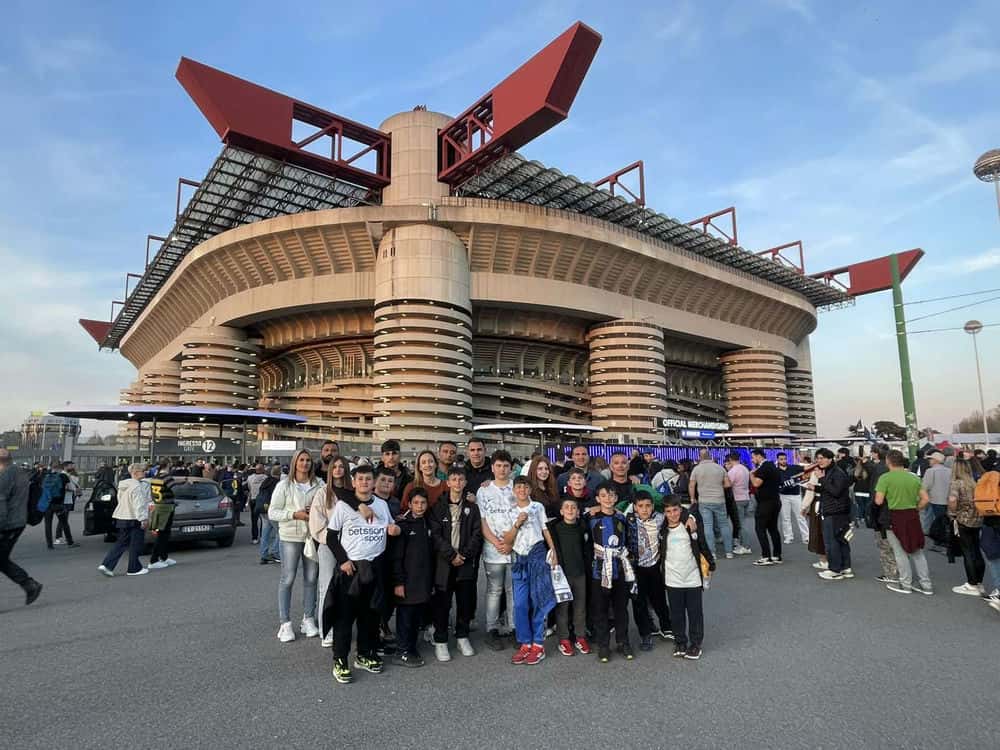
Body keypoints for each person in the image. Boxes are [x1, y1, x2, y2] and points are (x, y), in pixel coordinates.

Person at [325, 464, 400, 684]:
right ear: (354, 482)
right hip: (351, 569)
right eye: (360, 479)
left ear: (374, 482)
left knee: (370, 615)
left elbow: (391, 527)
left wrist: (395, 530)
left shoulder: (382, 505)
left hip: (375, 567)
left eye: (368, 479)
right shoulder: (343, 507)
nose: (365, 483)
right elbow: (331, 537)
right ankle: (340, 660)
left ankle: (365, 654)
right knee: (345, 617)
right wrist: (343, 561)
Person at [268, 449, 324, 642]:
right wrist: (294, 514)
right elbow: (273, 512)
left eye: (308, 460)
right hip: (290, 536)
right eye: (301, 460)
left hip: (312, 536)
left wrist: (315, 511)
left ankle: (308, 618)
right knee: (288, 578)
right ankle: (285, 623)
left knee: (311, 578)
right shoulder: (284, 485)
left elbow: (327, 506)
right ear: (295, 462)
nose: (305, 463)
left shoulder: (319, 484)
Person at [429, 466, 483, 662]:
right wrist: (451, 555)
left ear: (465, 482)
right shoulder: (437, 507)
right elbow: (435, 536)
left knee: (464, 601)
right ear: (448, 482)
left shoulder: (472, 508)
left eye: (461, 479)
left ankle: (462, 636)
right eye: (454, 479)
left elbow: (477, 534)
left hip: (465, 562)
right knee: (442, 603)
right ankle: (441, 639)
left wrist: (464, 555)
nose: (457, 483)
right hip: (445, 562)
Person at [506, 476, 558, 666]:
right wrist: (517, 523)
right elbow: (507, 539)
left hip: (537, 555)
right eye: (518, 487)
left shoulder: (537, 507)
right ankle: (525, 642)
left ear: (530, 489)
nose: (522, 490)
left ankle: (538, 644)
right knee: (520, 603)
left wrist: (553, 551)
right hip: (520, 557)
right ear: (514, 490)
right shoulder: (510, 511)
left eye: (525, 487)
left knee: (538, 600)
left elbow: (545, 530)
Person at [660, 497, 714, 660]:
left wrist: (711, 563)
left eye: (675, 510)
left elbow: (702, 543)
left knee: (695, 613)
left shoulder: (690, 525)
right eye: (668, 511)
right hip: (672, 579)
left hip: (692, 578)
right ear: (664, 513)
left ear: (681, 509)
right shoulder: (662, 529)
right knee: (676, 614)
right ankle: (680, 642)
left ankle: (696, 644)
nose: (672, 514)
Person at [588, 482, 636, 663]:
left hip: (620, 568)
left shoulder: (622, 518)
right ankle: (603, 645)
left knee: (621, 608)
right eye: (603, 496)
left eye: (611, 495)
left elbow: (629, 539)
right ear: (597, 499)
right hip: (599, 571)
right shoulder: (591, 518)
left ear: (616, 498)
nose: (608, 499)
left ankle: (623, 642)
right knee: (600, 609)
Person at [875, 450, 933, 596]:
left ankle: (906, 584)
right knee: (917, 551)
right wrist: (916, 508)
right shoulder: (913, 477)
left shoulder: (885, 478)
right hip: (912, 515)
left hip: (894, 516)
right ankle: (926, 585)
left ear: (888, 461)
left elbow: (878, 501)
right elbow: (926, 499)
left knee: (900, 552)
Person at [390, 487, 435, 667]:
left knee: (416, 616)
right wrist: (398, 582)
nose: (420, 506)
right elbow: (397, 557)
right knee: (406, 616)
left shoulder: (428, 523)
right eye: (416, 503)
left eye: (423, 503)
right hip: (407, 581)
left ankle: (411, 647)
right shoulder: (403, 525)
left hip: (422, 580)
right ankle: (402, 651)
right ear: (409, 504)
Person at [478, 449, 517, 651]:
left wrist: (510, 542)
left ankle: (513, 627)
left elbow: (521, 516)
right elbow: (483, 521)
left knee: (512, 590)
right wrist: (496, 542)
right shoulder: (484, 491)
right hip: (493, 550)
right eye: (498, 466)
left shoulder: (517, 488)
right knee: (494, 590)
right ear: (492, 468)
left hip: (514, 547)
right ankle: (491, 628)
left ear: (511, 468)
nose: (502, 469)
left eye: (506, 466)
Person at [312, 456, 352, 648]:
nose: (337, 469)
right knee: (326, 586)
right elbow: (317, 523)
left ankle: (343, 626)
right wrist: (332, 539)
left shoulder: (352, 492)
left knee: (347, 589)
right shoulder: (322, 493)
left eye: (341, 466)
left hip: (350, 546)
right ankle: (326, 629)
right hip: (328, 545)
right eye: (334, 467)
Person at [626, 491, 671, 651]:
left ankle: (667, 627)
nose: (644, 509)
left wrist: (691, 517)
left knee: (659, 599)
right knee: (639, 603)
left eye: (648, 506)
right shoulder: (628, 520)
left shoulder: (660, 518)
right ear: (634, 507)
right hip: (636, 568)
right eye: (640, 506)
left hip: (654, 566)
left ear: (653, 506)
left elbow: (679, 512)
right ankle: (645, 633)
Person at [548, 497, 591, 657]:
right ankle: (564, 639)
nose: (570, 510)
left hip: (580, 573)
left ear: (578, 511)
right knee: (563, 609)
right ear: (561, 511)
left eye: (573, 507)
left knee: (580, 608)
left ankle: (580, 636)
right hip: (562, 575)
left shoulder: (582, 527)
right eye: (566, 507)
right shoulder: (555, 529)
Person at [0, 448, 42, 605]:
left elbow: (1, 503)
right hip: (18, 522)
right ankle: (29, 585)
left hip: (7, 525)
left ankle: (30, 584)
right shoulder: (20, 473)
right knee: (1, 559)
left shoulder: (5, 476)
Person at [98, 463, 151, 577]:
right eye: (142, 471)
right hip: (134, 517)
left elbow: (120, 499)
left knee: (121, 542)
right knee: (136, 543)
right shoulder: (137, 486)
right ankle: (134, 568)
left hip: (122, 515)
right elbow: (139, 504)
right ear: (136, 473)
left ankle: (107, 565)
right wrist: (144, 519)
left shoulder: (123, 485)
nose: (145, 473)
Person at [947, 456, 986, 597]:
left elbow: (952, 500)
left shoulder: (956, 483)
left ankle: (971, 584)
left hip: (963, 519)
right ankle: (979, 582)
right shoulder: (975, 482)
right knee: (976, 550)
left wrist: (952, 513)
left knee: (967, 552)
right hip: (977, 519)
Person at [813, 448, 854, 581]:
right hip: (837, 511)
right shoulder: (831, 471)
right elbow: (831, 490)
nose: (819, 461)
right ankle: (845, 568)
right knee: (841, 540)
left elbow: (836, 491)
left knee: (832, 542)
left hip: (835, 512)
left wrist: (821, 479)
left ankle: (835, 569)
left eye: (822, 458)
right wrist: (815, 487)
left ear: (830, 459)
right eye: (817, 458)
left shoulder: (837, 472)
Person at [689, 449, 732, 559]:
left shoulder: (697, 469)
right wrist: (718, 487)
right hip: (719, 500)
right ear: (710, 456)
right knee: (724, 525)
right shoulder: (720, 468)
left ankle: (712, 553)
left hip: (704, 501)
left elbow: (691, 485)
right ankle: (729, 552)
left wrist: (692, 498)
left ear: (700, 457)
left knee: (708, 526)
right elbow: (728, 484)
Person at [42, 462, 76, 549]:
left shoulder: (46, 476)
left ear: (51, 467)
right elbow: (70, 488)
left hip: (47, 504)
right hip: (58, 504)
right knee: (64, 523)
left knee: (48, 525)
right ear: (60, 468)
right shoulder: (63, 476)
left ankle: (49, 545)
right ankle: (70, 542)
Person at [725, 453, 754, 556]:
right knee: (743, 522)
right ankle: (743, 544)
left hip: (737, 499)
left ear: (730, 459)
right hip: (746, 497)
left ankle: (746, 546)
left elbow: (728, 484)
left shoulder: (733, 471)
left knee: (741, 524)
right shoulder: (745, 469)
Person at [777, 452, 807, 545]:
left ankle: (806, 537)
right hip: (783, 496)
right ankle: (788, 537)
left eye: (785, 459)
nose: (783, 461)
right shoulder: (775, 471)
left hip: (796, 495)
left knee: (801, 516)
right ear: (777, 460)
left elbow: (806, 468)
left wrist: (815, 464)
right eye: (781, 459)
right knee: (785, 517)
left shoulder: (794, 467)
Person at [147, 480, 177, 570]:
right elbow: (175, 488)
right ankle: (153, 560)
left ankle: (164, 557)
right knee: (162, 535)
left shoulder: (154, 479)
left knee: (164, 534)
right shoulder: (166, 478)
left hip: (161, 507)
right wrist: (186, 482)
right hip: (164, 509)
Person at [921, 451, 950, 539]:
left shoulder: (930, 471)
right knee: (946, 520)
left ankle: (939, 538)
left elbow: (925, 486)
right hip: (948, 500)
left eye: (931, 459)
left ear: (936, 460)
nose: (929, 461)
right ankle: (946, 537)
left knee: (937, 520)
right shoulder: (950, 470)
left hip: (935, 500)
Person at [257, 465, 282, 564]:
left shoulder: (266, 481)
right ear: (279, 473)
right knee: (281, 532)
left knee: (265, 533)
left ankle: (264, 554)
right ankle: (275, 552)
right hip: (271, 510)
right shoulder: (277, 483)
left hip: (262, 510)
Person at [526, 455, 560, 520]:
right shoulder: (528, 490)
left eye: (546, 469)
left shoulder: (552, 486)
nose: (544, 472)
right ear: (533, 470)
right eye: (540, 469)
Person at [246, 463, 268, 544]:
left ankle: (254, 538)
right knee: (264, 520)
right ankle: (262, 536)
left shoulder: (250, 478)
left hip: (253, 499)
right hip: (263, 500)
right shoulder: (266, 478)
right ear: (262, 469)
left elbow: (249, 488)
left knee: (254, 520)